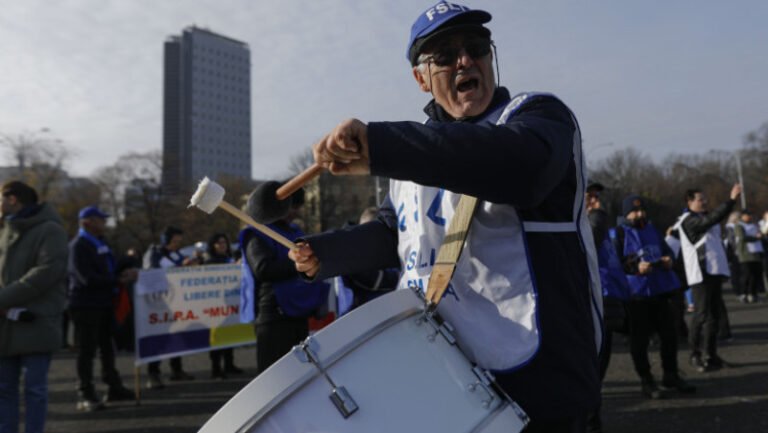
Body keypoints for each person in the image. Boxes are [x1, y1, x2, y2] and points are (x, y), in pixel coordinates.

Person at [287, 3, 603, 430]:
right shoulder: (413, 158)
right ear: (420, 79)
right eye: (445, 55)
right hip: (443, 366)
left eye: (476, 47)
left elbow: (521, 171)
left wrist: (381, 145)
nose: (465, 60)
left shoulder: (539, 117)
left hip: (536, 375)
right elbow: (392, 232)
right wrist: (320, 254)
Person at [0, 181, 68, 433]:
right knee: (4, 390)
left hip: (35, 321)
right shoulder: (5, 229)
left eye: (1, 198)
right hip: (5, 324)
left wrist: (3, 298)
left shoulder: (51, 230)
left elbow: (47, 272)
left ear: (13, 199)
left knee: (34, 390)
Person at [239, 187, 330, 375]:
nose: (295, 212)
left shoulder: (294, 231)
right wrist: (299, 263)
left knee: (299, 374)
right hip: (274, 315)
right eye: (292, 207)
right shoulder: (256, 234)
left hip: (298, 312)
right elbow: (263, 269)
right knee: (275, 376)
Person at [614, 195, 695, 399]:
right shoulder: (620, 234)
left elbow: (667, 250)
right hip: (636, 295)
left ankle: (671, 374)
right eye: (634, 211)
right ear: (626, 214)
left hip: (659, 290)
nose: (640, 214)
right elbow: (615, 264)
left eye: (642, 210)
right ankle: (646, 380)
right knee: (639, 340)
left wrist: (668, 260)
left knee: (670, 335)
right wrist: (634, 267)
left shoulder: (652, 229)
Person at [68, 206, 137, 411]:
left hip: (104, 302)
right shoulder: (78, 245)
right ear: (87, 222)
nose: (104, 223)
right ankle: (85, 392)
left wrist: (127, 267)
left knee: (107, 348)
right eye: (101, 220)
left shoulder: (100, 243)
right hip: (85, 304)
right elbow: (85, 278)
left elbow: (110, 267)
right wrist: (117, 280)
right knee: (87, 350)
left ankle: (113, 386)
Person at [678, 184, 741, 373]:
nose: (704, 202)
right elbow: (713, 219)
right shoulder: (687, 220)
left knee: (714, 317)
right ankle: (695, 354)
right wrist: (731, 200)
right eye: (700, 199)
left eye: (705, 199)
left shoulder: (703, 217)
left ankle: (711, 355)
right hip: (700, 274)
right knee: (701, 315)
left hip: (713, 272)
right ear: (689, 202)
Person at [585, 183, 629, 433]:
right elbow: (589, 242)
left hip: (609, 300)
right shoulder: (589, 221)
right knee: (591, 370)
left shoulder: (599, 223)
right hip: (593, 302)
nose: (596, 201)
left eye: (597, 196)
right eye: (590, 195)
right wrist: (597, 215)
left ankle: (593, 419)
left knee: (600, 369)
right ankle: (590, 423)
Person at [145, 226, 197, 389]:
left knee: (177, 336)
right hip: (159, 304)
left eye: (179, 242)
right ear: (166, 240)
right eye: (174, 241)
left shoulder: (176, 253)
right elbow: (152, 274)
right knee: (158, 339)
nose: (177, 245)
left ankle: (177, 369)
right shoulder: (154, 253)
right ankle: (153, 373)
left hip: (176, 303)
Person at [335, 207, 399, 316]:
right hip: (359, 315)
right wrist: (399, 276)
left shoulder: (349, 247)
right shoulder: (351, 252)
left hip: (358, 315)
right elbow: (372, 280)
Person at [204, 233, 243, 379]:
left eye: (224, 243)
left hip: (230, 304)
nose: (222, 245)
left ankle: (229, 364)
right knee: (217, 337)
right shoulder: (209, 262)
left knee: (230, 334)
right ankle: (216, 367)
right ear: (213, 245)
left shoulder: (230, 259)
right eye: (219, 243)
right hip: (216, 305)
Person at [734, 210, 764, 303]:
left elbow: (760, 233)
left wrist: (761, 235)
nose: (749, 217)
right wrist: (756, 238)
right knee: (746, 275)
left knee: (756, 275)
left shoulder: (754, 225)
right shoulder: (739, 226)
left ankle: (753, 293)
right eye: (747, 215)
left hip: (756, 252)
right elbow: (742, 238)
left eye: (750, 215)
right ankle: (743, 294)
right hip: (745, 254)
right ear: (742, 216)